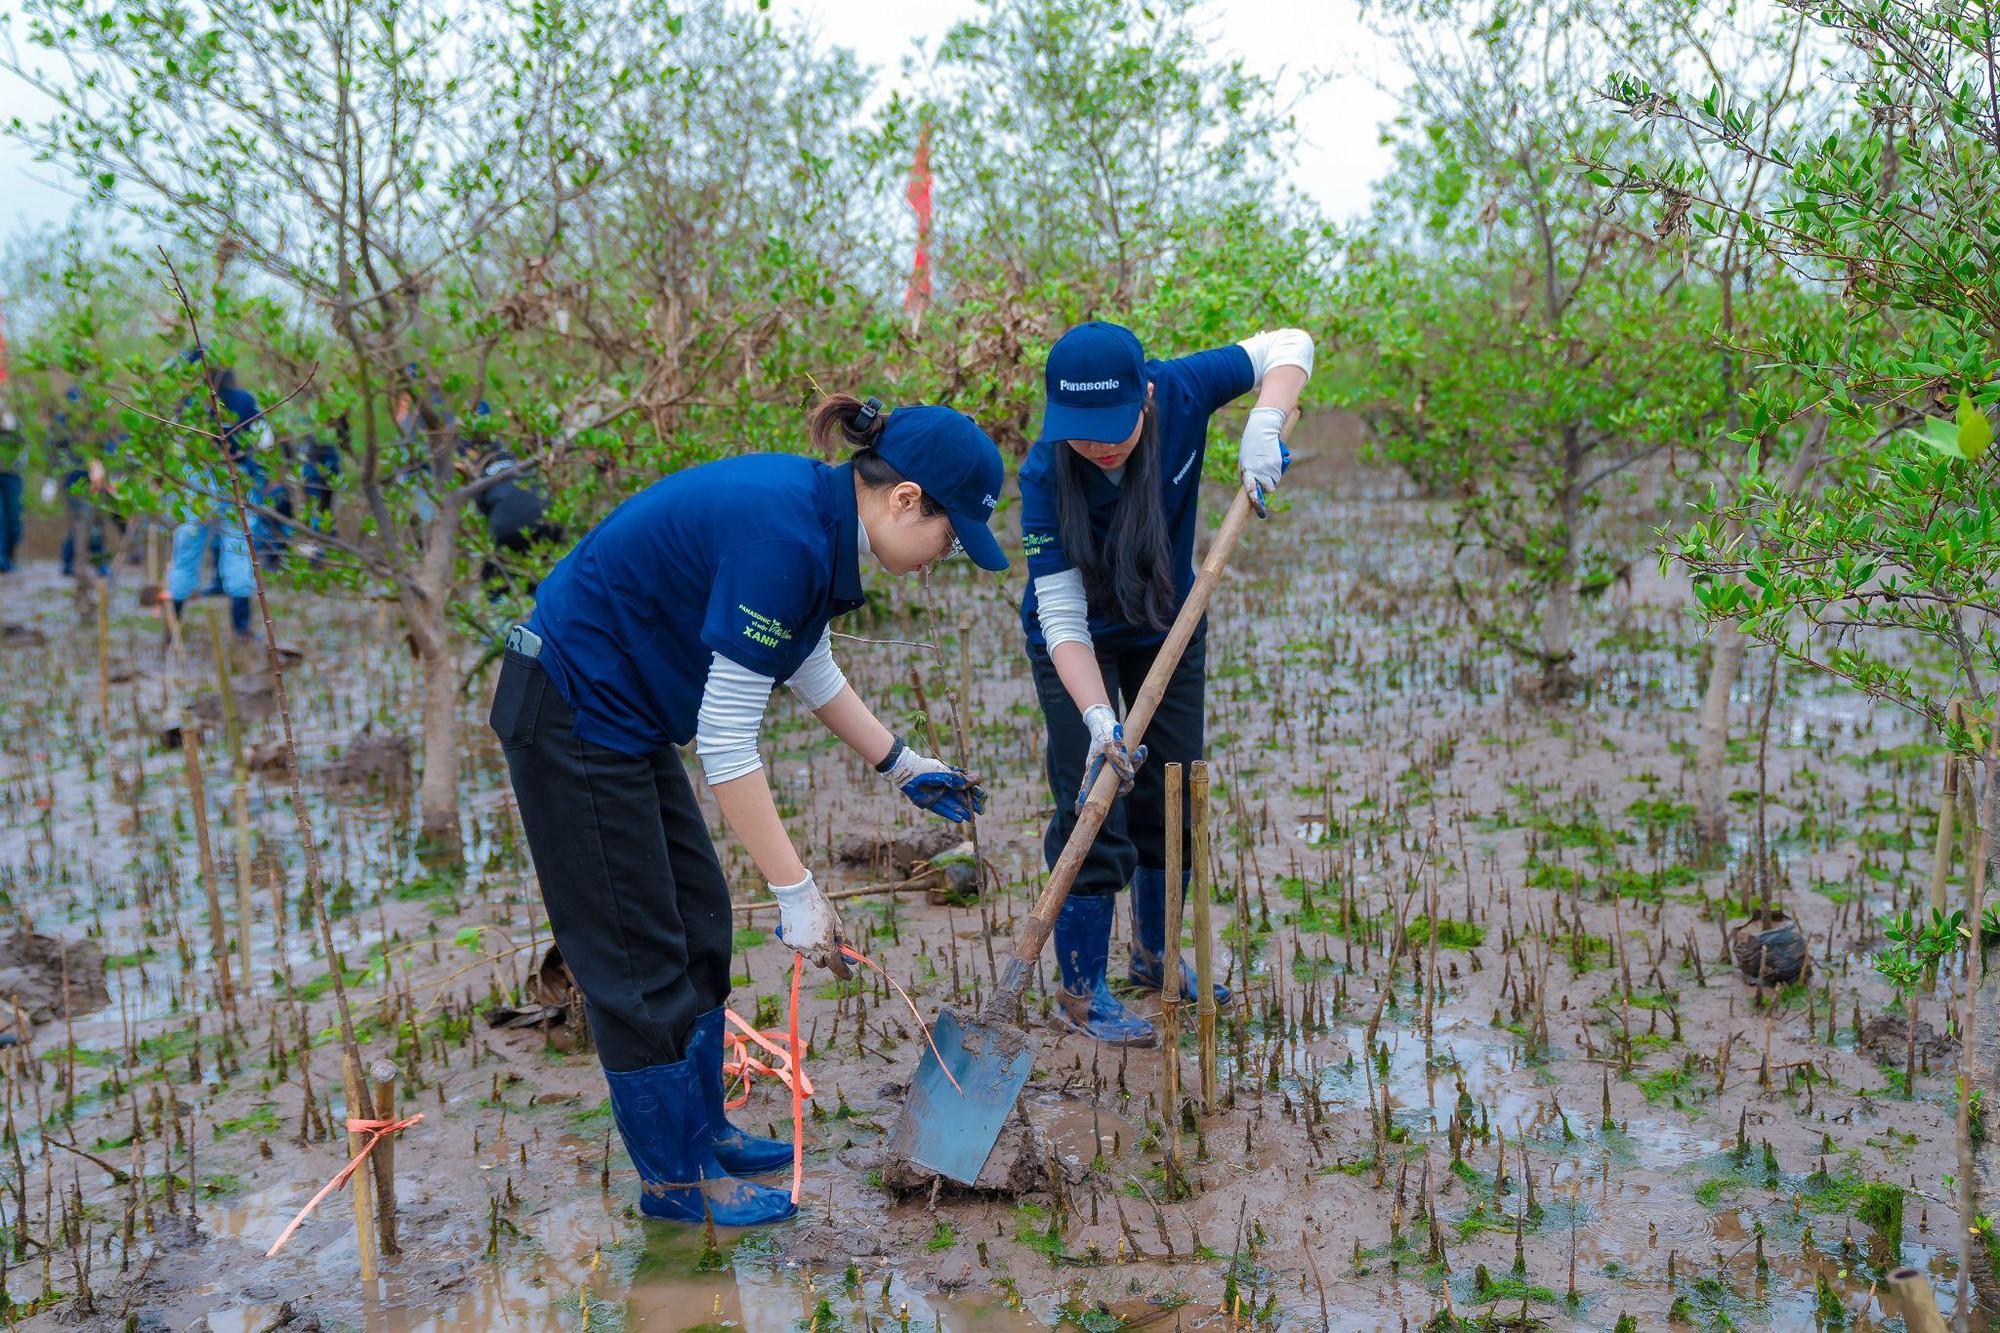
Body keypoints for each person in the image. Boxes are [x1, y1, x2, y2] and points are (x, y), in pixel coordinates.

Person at [490, 394, 1008, 1226]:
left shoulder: (818, 521)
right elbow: (726, 742)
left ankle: (705, 1132)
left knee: (697, 918)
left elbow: (807, 662)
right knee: (637, 951)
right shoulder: (785, 536)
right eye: (949, 538)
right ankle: (677, 1181)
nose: (944, 554)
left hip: (621, 721)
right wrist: (797, 891)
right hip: (569, 713)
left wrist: (900, 761)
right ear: (906, 498)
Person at [1019, 320, 1313, 1047]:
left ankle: (1154, 956)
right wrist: (1098, 718)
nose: (1099, 445)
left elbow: (1290, 345)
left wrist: (1263, 425)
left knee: (1174, 788)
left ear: (1144, 395)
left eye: (1112, 426)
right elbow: (1060, 616)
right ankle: (1080, 993)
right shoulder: (1041, 474)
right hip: (1076, 642)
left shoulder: (1181, 388)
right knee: (1093, 799)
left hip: (1169, 624)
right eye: (1081, 432)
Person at [0, 405, 24, 574]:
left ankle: (9, 557)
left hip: (12, 474)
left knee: (13, 520)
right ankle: (2, 560)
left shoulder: (14, 416)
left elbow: (25, 444)